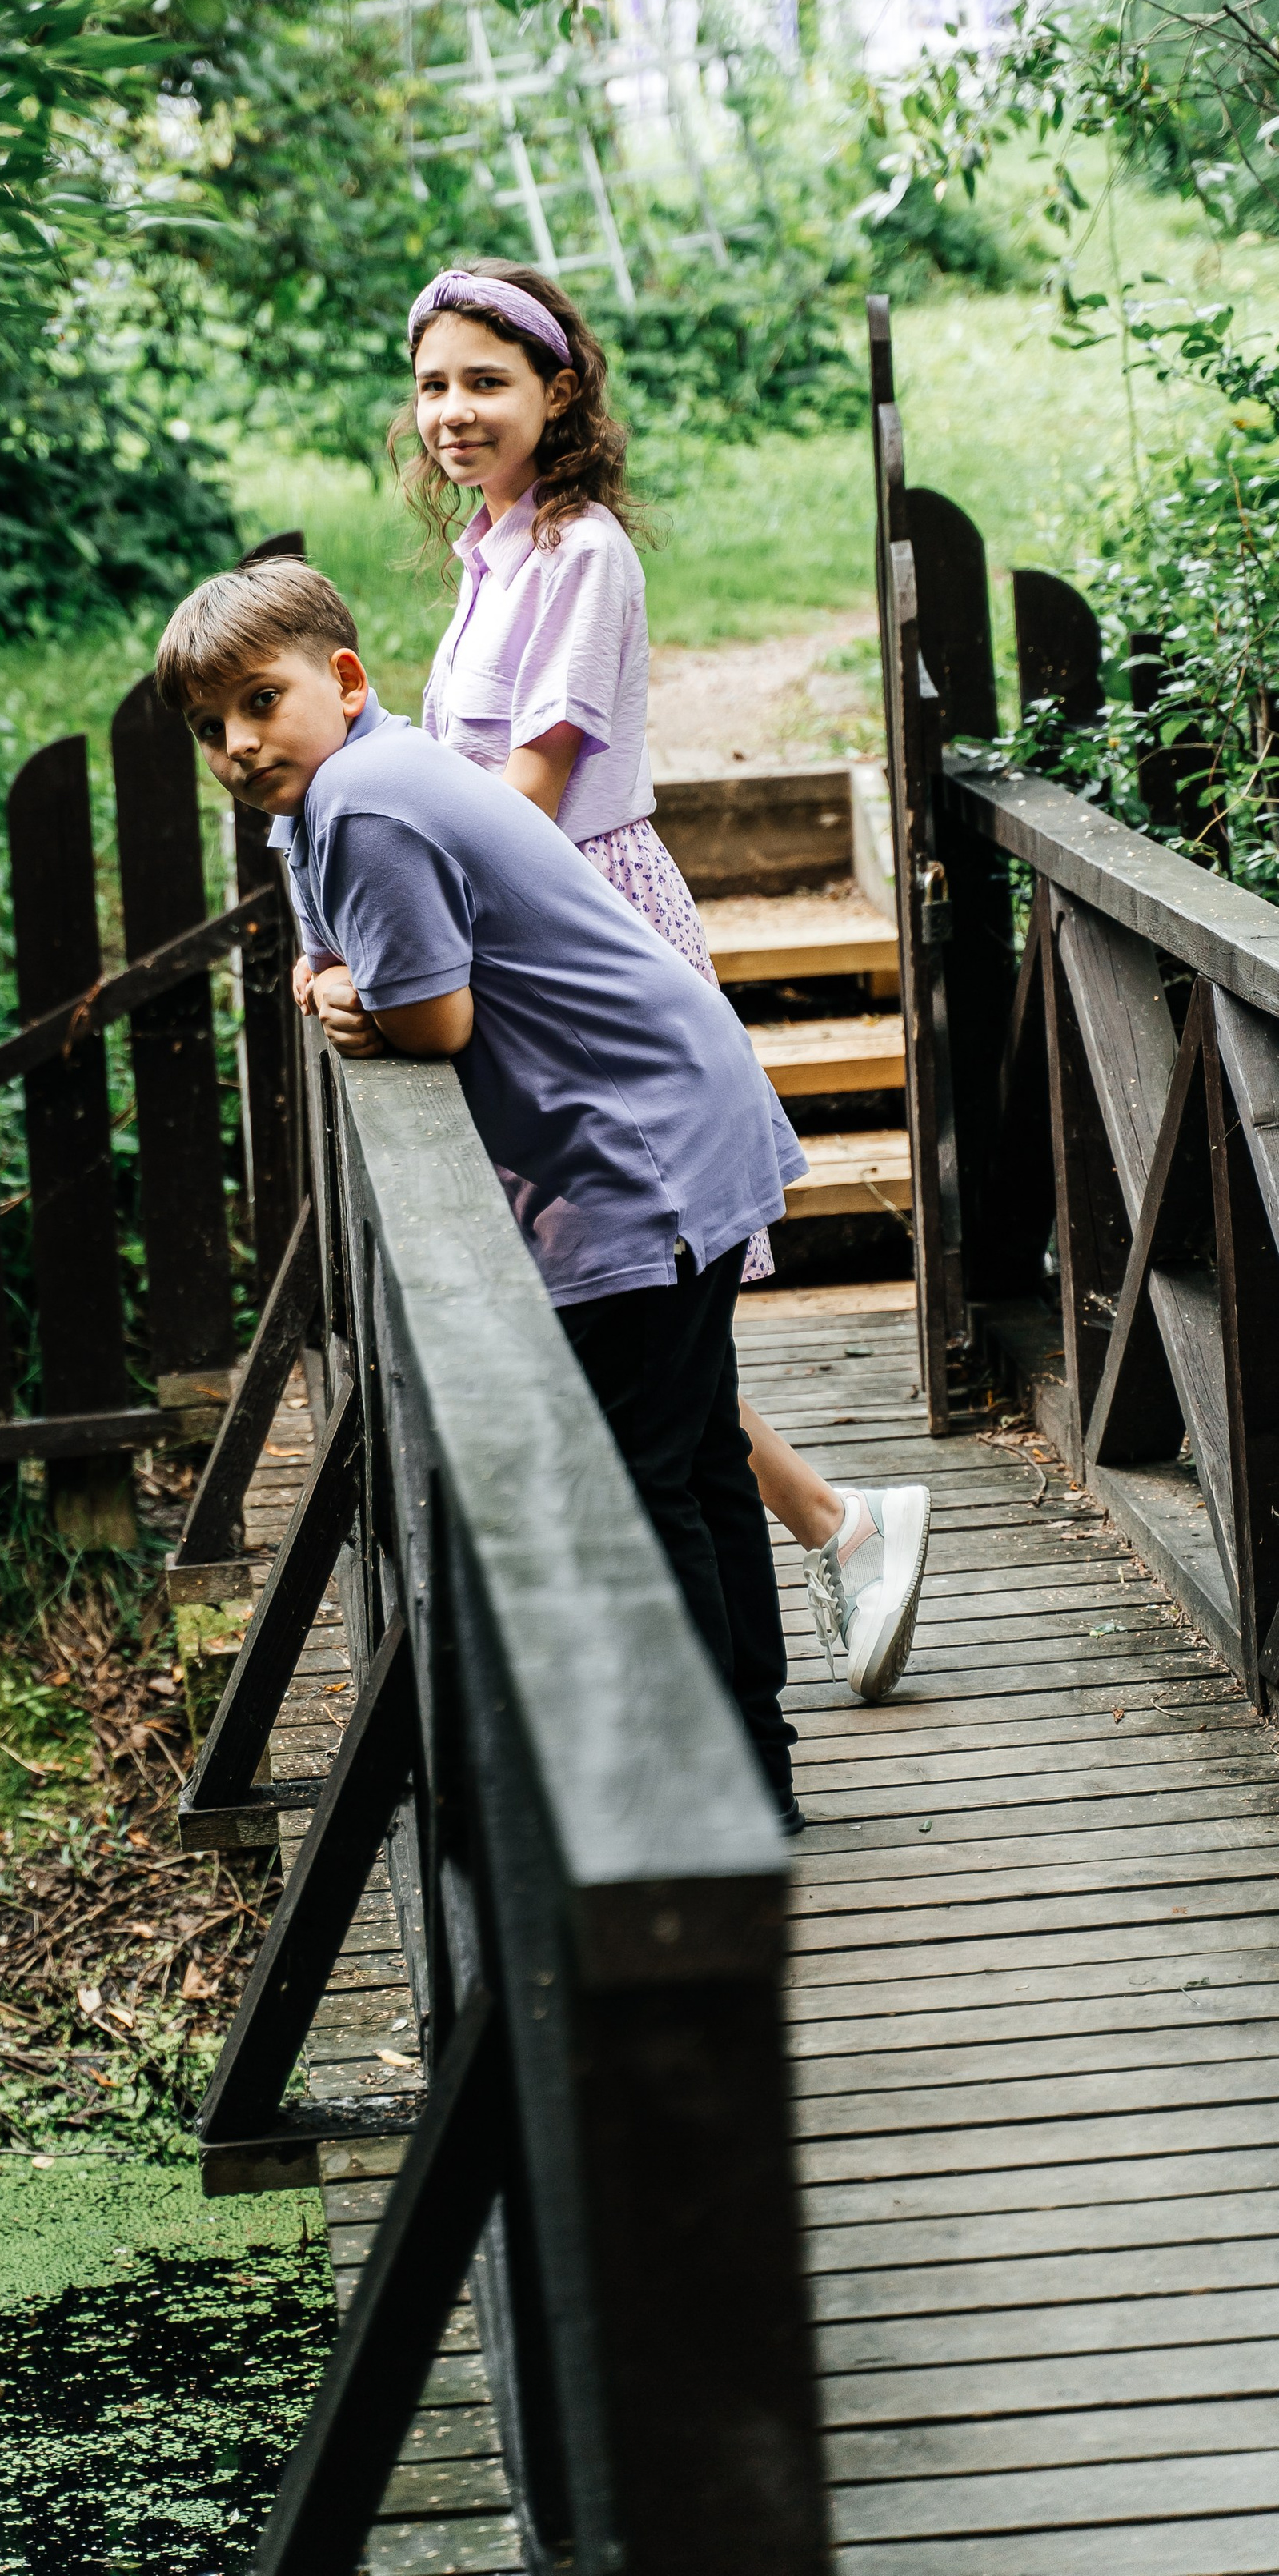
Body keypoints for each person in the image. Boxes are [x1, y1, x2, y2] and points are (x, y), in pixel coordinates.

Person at [156, 555, 812, 1833]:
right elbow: (335, 937)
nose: (236, 745)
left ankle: (707, 1794)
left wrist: (355, 998)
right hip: (683, 1112)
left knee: (642, 1478)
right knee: (698, 1458)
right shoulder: (360, 776)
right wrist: (331, 975)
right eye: (207, 728)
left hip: (640, 1160)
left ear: (342, 680)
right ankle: (752, 1768)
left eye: (257, 702)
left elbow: (436, 1021)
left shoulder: (363, 803)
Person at [370, 254, 928, 1706]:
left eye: (486, 382)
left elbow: (531, 793)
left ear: (560, 393)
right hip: (522, 926)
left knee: (639, 1317)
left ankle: (786, 1595)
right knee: (638, 1334)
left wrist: (414, 945)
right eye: (433, 384)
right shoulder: (497, 548)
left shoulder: (581, 557)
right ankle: (834, 1528)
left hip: (577, 938)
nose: (453, 410)